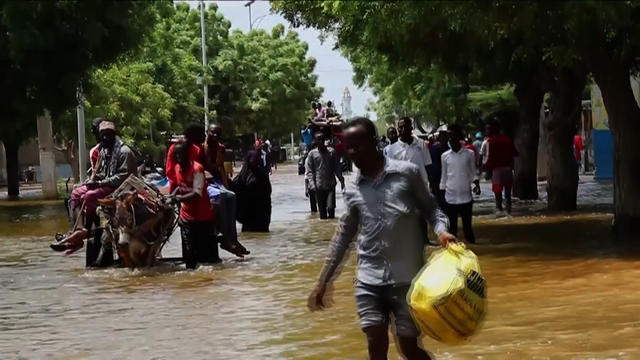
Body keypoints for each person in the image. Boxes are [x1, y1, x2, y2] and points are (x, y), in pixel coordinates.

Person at [308, 117, 455, 360]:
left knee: (409, 347)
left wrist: (442, 231)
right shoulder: (353, 189)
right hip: (369, 281)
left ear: (374, 143)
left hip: (409, 282)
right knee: (375, 343)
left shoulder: (407, 174)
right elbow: (344, 237)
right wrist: (324, 281)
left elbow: (432, 210)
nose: (353, 152)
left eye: (359, 145)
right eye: (349, 147)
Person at [51, 120, 137, 253]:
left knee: (89, 196)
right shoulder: (103, 151)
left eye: (108, 135)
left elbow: (122, 177)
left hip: (120, 187)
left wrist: (99, 183)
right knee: (76, 193)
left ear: (114, 134)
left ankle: (87, 229)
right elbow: (99, 172)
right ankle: (76, 231)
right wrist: (92, 181)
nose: (104, 138)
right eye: (102, 135)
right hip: (104, 184)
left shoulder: (124, 151)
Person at [171, 142, 219, 269]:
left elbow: (197, 193)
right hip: (186, 217)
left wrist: (178, 198)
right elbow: (179, 186)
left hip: (203, 218)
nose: (178, 157)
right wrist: (171, 196)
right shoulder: (176, 168)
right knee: (189, 256)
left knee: (208, 261)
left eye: (180, 154)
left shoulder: (197, 169)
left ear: (187, 154)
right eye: (176, 155)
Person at [204, 124, 249, 257]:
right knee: (222, 195)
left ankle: (232, 238)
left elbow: (221, 169)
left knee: (231, 195)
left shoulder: (220, 148)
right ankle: (224, 234)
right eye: (213, 133)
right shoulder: (201, 148)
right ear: (207, 132)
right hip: (205, 180)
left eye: (218, 133)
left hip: (216, 181)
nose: (216, 136)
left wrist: (225, 185)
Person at [440, 125, 480, 244]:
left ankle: (473, 252)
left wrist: (476, 185)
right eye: (449, 137)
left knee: (468, 229)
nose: (450, 139)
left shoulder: (469, 154)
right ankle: (452, 256)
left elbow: (473, 173)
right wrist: (441, 194)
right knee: (452, 229)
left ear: (459, 138)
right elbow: (444, 176)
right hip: (450, 197)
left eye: (453, 136)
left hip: (466, 196)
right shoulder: (445, 156)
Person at [305, 132, 345, 219]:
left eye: (322, 139)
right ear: (315, 141)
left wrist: (341, 180)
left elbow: (337, 168)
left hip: (330, 185)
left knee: (331, 208)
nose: (320, 141)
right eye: (318, 139)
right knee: (322, 214)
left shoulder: (332, 152)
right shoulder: (312, 154)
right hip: (318, 187)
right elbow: (309, 172)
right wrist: (312, 184)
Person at [231, 150, 272, 232]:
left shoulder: (262, 175)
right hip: (248, 216)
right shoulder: (242, 176)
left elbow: (268, 191)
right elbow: (233, 190)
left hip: (262, 215)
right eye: (252, 161)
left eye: (256, 160)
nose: (254, 163)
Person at [385, 117, 432, 186]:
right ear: (398, 129)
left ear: (411, 128)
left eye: (406, 126)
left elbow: (428, 165)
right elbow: (390, 172)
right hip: (403, 190)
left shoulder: (421, 144)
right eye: (401, 127)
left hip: (422, 187)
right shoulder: (392, 149)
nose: (403, 129)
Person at [485, 121, 518, 215]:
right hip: (508, 170)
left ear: (493, 129)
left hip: (497, 171)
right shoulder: (507, 139)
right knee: (508, 195)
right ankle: (509, 212)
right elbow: (515, 153)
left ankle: (499, 213)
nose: (486, 131)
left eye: (488, 129)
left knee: (498, 196)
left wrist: (488, 172)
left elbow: (488, 158)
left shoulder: (489, 141)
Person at [166, 123, 206, 193]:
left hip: (195, 187)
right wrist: (183, 182)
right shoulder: (175, 148)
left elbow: (197, 171)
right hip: (177, 189)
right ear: (194, 135)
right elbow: (170, 172)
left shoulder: (197, 150)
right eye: (202, 134)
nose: (205, 136)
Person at [426, 130, 449, 207]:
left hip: (444, 177)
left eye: (445, 137)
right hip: (436, 176)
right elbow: (430, 162)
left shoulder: (448, 149)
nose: (444, 139)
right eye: (442, 137)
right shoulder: (435, 148)